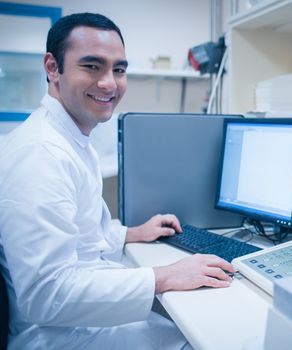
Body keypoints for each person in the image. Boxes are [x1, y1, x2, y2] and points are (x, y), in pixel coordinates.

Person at [0, 12, 235, 349]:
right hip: (57, 336)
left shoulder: (70, 138)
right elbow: (45, 295)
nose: (110, 83)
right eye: (92, 66)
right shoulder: (40, 154)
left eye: (119, 69)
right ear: (52, 68)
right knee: (203, 338)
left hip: (76, 321)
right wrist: (165, 275)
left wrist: (132, 233)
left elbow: (82, 235)